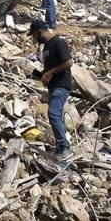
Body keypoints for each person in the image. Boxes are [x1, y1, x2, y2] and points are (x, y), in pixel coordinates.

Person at [30, 20, 75, 156]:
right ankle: (62, 145)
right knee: (57, 115)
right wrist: (43, 75)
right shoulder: (47, 47)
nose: (34, 38)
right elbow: (51, 69)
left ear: (40, 32)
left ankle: (63, 147)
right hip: (54, 86)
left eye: (34, 35)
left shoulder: (58, 42)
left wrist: (50, 73)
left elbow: (68, 62)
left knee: (53, 113)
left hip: (61, 86)